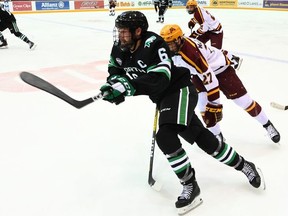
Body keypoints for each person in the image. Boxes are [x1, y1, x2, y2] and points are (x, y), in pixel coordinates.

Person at [99, 11, 265, 215]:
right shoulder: (119, 48)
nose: (120, 36)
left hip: (180, 91)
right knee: (206, 141)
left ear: (138, 31)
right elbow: (115, 74)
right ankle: (244, 165)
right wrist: (113, 88)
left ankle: (190, 185)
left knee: (165, 136)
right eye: (119, 31)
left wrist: (128, 86)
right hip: (164, 99)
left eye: (124, 32)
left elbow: (161, 78)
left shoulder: (154, 43)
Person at [159, 24, 280, 144]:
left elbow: (211, 81)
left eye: (170, 43)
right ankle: (217, 135)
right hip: (199, 74)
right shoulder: (171, 48)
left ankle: (267, 125)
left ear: (179, 39)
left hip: (221, 70)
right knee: (203, 107)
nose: (168, 47)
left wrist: (215, 105)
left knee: (244, 102)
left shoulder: (191, 54)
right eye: (166, 44)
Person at [185, 0, 242, 70]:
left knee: (216, 51)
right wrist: (193, 21)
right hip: (209, 30)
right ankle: (198, 61)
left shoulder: (198, 14)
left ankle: (233, 58)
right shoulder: (198, 10)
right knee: (197, 43)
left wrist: (195, 34)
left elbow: (204, 28)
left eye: (191, 7)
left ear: (195, 7)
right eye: (188, 7)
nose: (189, 9)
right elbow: (203, 19)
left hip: (216, 32)